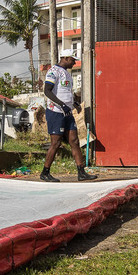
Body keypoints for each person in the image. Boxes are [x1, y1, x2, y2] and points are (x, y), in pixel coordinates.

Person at [41, 51, 93, 182]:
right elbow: (47, 91)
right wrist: (61, 105)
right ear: (65, 58)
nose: (74, 62)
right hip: (56, 112)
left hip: (68, 112)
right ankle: (45, 172)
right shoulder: (53, 71)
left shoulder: (67, 74)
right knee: (56, 143)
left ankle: (81, 172)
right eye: (72, 60)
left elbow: (65, 93)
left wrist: (73, 103)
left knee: (74, 141)